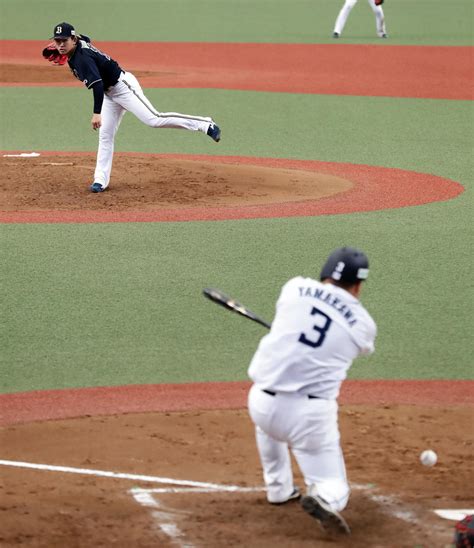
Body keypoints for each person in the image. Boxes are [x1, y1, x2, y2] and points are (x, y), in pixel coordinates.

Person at [247, 247, 377, 535]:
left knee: (269, 426)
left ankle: (278, 488)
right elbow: (359, 346)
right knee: (335, 485)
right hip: (308, 419)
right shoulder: (364, 325)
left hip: (261, 405)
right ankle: (325, 498)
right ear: (358, 286)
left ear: (326, 273)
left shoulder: (294, 288)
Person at [46, 22, 221, 193]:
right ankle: (100, 180)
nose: (60, 45)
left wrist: (96, 113)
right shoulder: (80, 44)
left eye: (64, 41)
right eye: (57, 41)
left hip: (124, 88)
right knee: (105, 136)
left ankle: (205, 124)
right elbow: (87, 38)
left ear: (73, 39)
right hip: (110, 95)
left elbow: (97, 85)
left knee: (154, 119)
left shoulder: (82, 58)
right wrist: (67, 52)